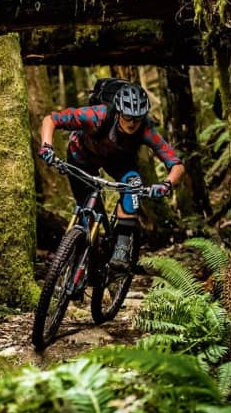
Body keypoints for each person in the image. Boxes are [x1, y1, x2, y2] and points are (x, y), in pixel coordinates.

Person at [38, 81, 185, 272]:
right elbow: (51, 119)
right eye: (127, 117)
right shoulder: (97, 115)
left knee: (133, 185)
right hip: (81, 157)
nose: (132, 123)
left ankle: (122, 247)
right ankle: (83, 261)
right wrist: (47, 146)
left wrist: (167, 184)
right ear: (118, 112)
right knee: (88, 212)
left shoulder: (145, 129)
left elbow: (176, 164)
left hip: (119, 163)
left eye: (138, 118)